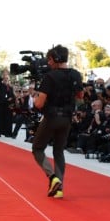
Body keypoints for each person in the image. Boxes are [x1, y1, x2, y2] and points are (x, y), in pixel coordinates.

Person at [31, 44, 83, 198]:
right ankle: (59, 189)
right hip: (67, 118)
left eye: (50, 60)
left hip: (51, 117)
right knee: (59, 151)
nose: (48, 63)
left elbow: (39, 104)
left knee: (37, 149)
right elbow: (80, 96)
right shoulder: (76, 75)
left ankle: (53, 177)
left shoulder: (50, 77)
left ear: (55, 58)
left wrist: (35, 97)